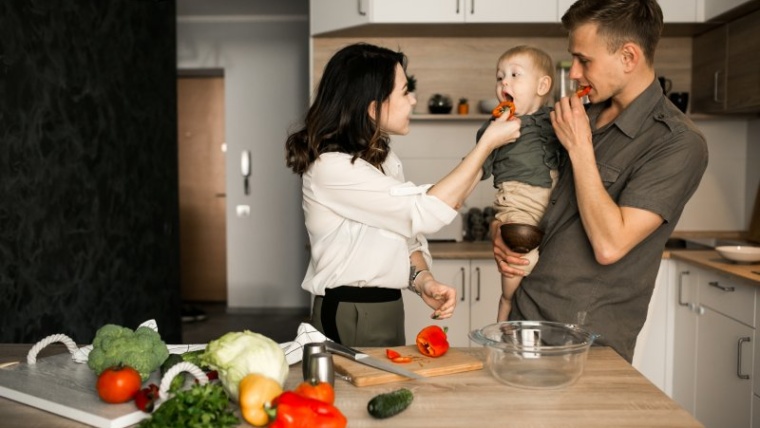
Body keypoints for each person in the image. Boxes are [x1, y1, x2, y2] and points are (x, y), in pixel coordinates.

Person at [491, 0, 708, 362]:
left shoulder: (677, 142)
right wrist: (503, 229)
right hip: (522, 320)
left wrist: (579, 148)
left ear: (628, 57)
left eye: (584, 60)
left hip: (584, 344)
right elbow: (532, 192)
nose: (574, 73)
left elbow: (610, 245)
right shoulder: (580, 115)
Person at [285, 43, 521, 347]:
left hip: (387, 308)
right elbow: (422, 210)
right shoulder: (331, 168)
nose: (413, 100)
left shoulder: (383, 159)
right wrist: (486, 145)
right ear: (373, 107)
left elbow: (406, 234)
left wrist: (423, 281)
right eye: (405, 91)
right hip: (350, 312)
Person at [475, 45, 564, 322]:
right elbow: (476, 168)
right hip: (518, 205)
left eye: (515, 75)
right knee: (516, 271)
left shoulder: (557, 120)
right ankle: (504, 317)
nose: (504, 82)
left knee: (546, 282)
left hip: (556, 207)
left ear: (542, 85)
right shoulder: (497, 126)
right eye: (500, 76)